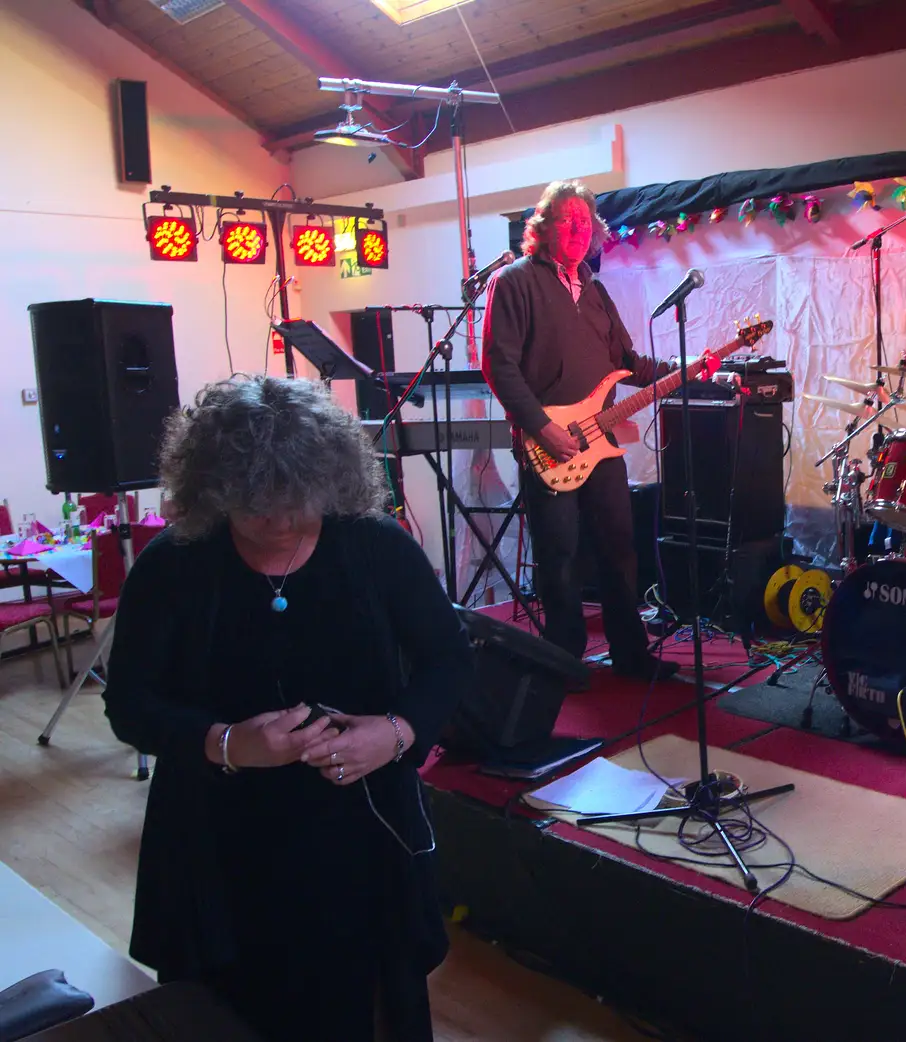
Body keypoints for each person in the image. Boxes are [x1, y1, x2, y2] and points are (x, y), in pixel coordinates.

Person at [103, 375, 471, 1042]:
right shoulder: (171, 567)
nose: (278, 525)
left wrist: (394, 733)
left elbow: (449, 658)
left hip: (360, 841)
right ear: (213, 498)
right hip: (220, 850)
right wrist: (224, 743)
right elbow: (128, 705)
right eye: (253, 510)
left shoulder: (375, 547)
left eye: (296, 506)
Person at [482, 179, 678, 681]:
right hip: (547, 442)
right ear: (543, 228)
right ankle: (564, 664)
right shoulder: (514, 282)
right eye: (566, 220)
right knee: (559, 556)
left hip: (601, 444)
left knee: (619, 547)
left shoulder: (595, 290)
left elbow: (626, 362)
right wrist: (542, 428)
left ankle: (631, 655)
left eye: (584, 223)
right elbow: (498, 365)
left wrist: (688, 366)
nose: (576, 230)